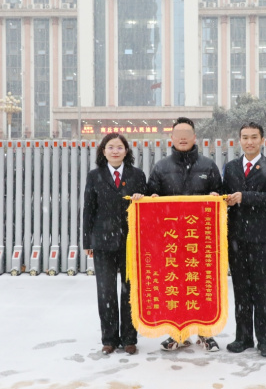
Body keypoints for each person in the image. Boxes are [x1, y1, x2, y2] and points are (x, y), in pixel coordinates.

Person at [133, 117, 222, 352]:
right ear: (171, 138)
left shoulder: (208, 166)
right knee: (173, 284)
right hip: (170, 239)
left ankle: (205, 332)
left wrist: (216, 197)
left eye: (187, 134)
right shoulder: (161, 167)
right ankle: (176, 334)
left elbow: (221, 196)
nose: (183, 138)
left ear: (194, 137)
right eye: (178, 134)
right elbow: (151, 195)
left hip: (200, 240)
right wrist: (152, 199)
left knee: (202, 286)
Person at [83, 133, 147, 355]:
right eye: (110, 147)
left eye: (119, 147)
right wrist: (87, 241)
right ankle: (109, 339)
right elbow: (88, 210)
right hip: (102, 242)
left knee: (130, 292)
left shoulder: (137, 175)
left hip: (131, 242)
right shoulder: (95, 176)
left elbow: (149, 207)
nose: (115, 151)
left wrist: (141, 198)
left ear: (126, 151)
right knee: (106, 292)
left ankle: (129, 338)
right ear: (103, 151)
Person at [222, 122, 266, 358]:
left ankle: (265, 340)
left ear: (262, 140)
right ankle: (243, 337)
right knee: (241, 290)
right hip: (236, 237)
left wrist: (244, 197)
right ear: (239, 140)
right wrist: (222, 197)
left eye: (254, 137)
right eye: (245, 137)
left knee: (261, 289)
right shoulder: (231, 167)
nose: (249, 142)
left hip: (261, 237)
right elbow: (224, 194)